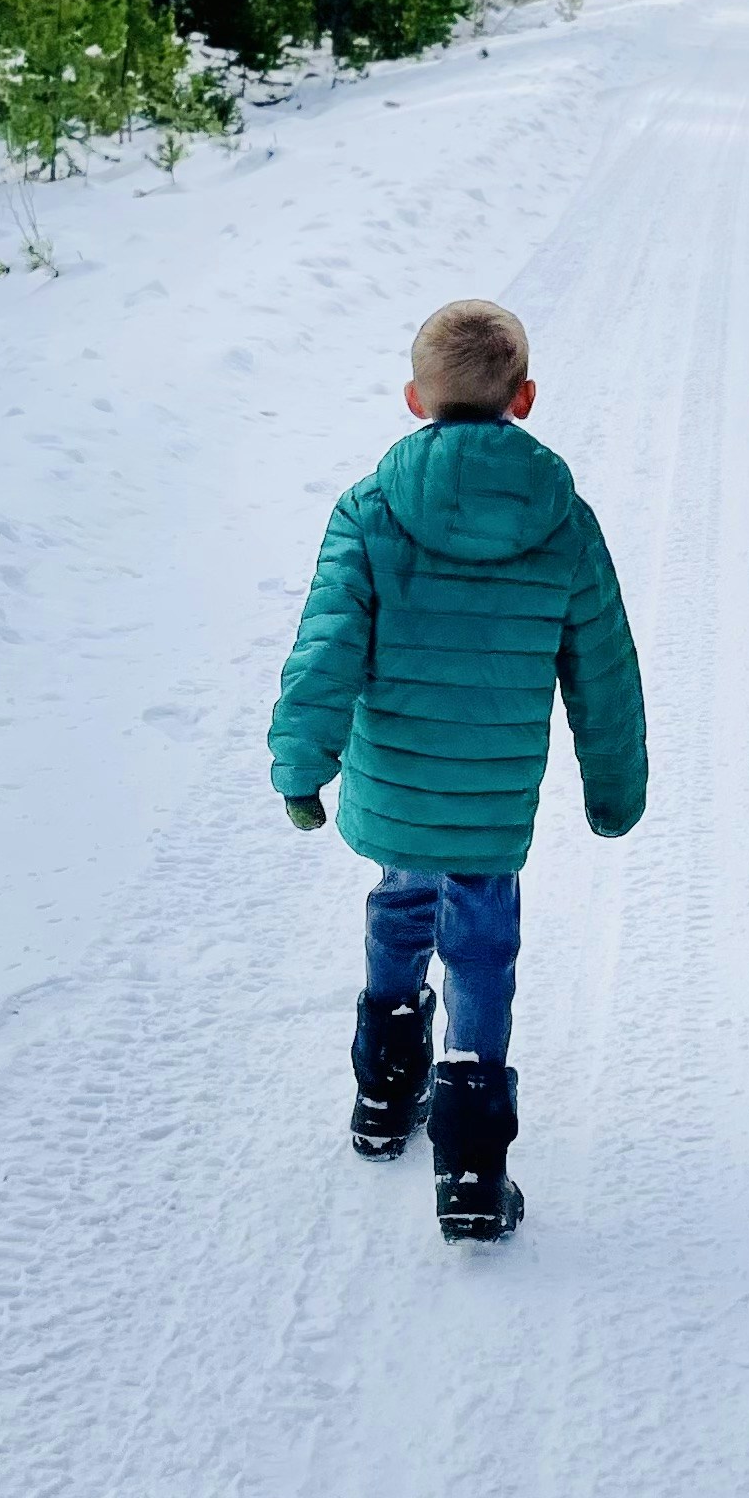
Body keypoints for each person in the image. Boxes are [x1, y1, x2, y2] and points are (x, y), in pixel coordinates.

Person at [268, 296, 646, 1242]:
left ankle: (383, 1099)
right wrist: (613, 785)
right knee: (481, 947)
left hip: (394, 784)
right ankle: (473, 1167)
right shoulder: (563, 519)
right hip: (489, 803)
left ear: (413, 399)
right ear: (524, 397)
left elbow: (325, 650)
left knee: (400, 906)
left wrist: (300, 765)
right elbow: (601, 665)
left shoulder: (370, 508)